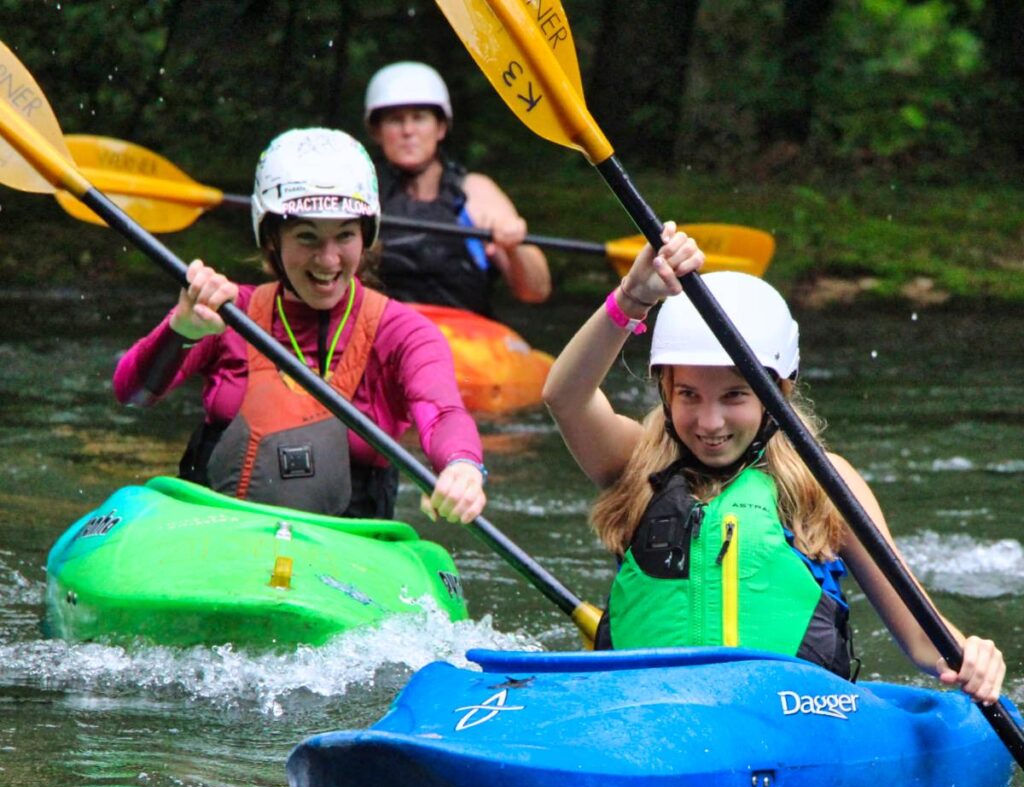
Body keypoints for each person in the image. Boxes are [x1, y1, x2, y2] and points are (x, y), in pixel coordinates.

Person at [542, 224, 1004, 705]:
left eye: (735, 395)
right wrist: (632, 298)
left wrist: (971, 655)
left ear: (777, 393)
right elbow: (565, 397)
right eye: (688, 395)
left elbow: (921, 636)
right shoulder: (635, 463)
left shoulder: (823, 482)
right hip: (648, 717)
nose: (709, 420)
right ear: (665, 390)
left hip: (786, 725)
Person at [113, 128, 487, 525]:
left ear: (365, 236)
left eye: (344, 236)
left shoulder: (403, 333)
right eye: (307, 237)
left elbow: (443, 412)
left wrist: (462, 467)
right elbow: (131, 394)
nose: (328, 260)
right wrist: (181, 330)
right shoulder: (226, 312)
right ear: (273, 238)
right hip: (214, 536)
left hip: (345, 555)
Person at [364, 60, 551, 317]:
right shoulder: (360, 191)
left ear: (440, 128)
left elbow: (535, 291)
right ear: (377, 132)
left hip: (464, 342)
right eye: (395, 120)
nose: (408, 131)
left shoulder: (475, 192)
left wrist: (514, 246)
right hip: (383, 332)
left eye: (419, 118)